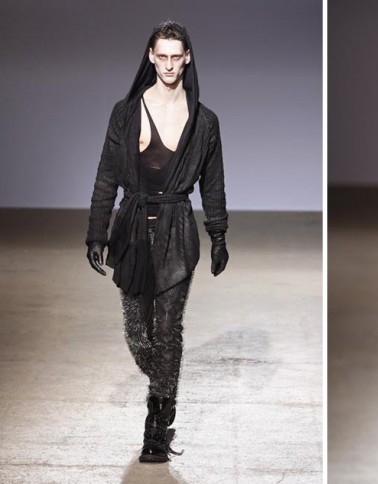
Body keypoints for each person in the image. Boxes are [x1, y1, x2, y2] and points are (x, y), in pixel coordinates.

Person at [86, 20, 228, 463]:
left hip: (177, 230)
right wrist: (96, 233)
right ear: (151, 57)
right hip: (130, 229)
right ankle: (164, 386)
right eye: (161, 56)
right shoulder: (125, 112)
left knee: (168, 330)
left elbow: (213, 184)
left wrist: (219, 235)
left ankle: (156, 425)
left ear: (187, 58)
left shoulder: (204, 121)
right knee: (137, 333)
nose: (168, 65)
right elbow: (106, 175)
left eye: (175, 57)